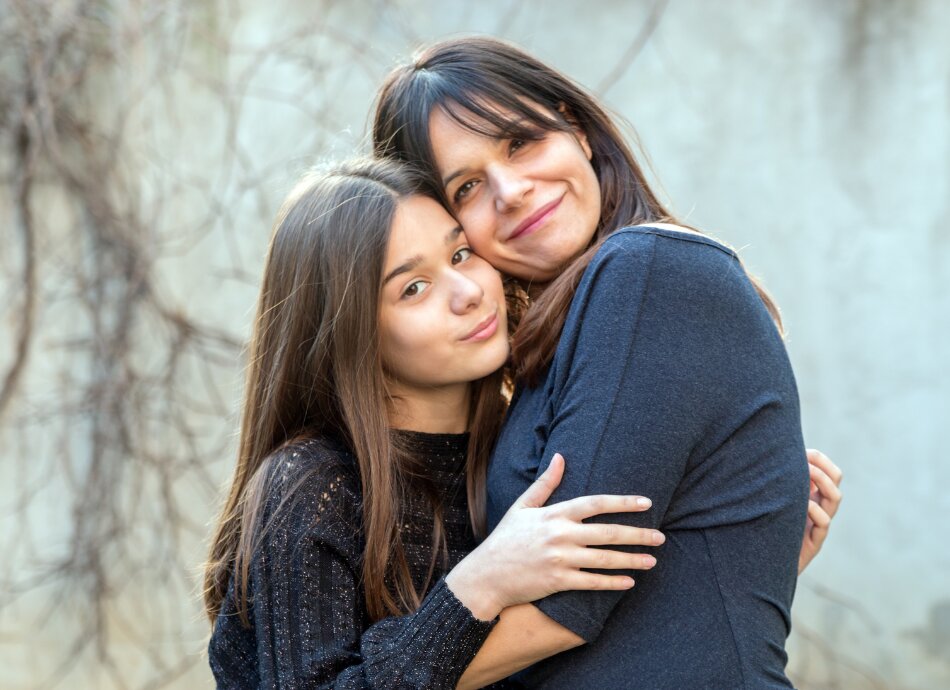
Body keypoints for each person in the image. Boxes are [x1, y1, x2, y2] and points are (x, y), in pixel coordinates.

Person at [373, 36, 843, 688]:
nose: (510, 190)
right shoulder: (558, 341)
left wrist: (365, 679)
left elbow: (562, 605)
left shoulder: (644, 271)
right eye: (469, 186)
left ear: (578, 130)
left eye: (520, 142)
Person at [202, 158, 667, 688]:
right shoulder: (313, 486)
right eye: (414, 288)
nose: (468, 292)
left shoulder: (522, 437)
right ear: (352, 336)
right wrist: (480, 586)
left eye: (461, 254)